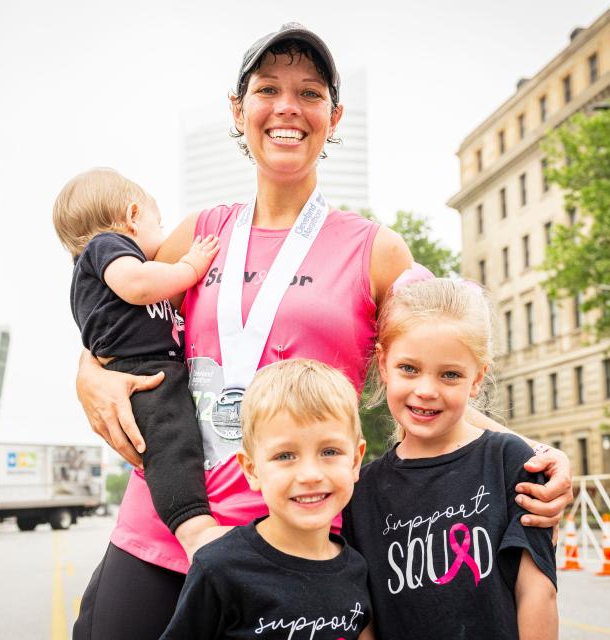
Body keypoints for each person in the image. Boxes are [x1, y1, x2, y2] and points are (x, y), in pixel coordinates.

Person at [72, 23, 572, 640]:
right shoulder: (197, 234)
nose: (287, 107)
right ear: (239, 110)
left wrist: (530, 456)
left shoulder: (375, 250)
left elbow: (443, 361)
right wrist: (87, 374)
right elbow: (116, 325)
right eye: (267, 89)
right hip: (168, 526)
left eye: (309, 93)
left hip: (304, 545)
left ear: (333, 118)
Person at [342, 277, 558, 639]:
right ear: (382, 362)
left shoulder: (510, 463)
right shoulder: (361, 490)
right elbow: (363, 617)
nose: (426, 390)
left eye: (450, 375)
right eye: (408, 368)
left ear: (477, 379)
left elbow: (537, 591)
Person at [53, 168, 223, 558]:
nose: (161, 236)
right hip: (141, 373)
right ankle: (193, 526)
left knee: (177, 440)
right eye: (157, 223)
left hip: (149, 368)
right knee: (170, 444)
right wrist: (189, 268)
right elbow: (139, 285)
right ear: (132, 216)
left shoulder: (99, 262)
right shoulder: (106, 248)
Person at [160, 360, 374, 639]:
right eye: (285, 456)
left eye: (330, 451)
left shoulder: (358, 569)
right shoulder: (218, 567)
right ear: (252, 469)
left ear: (356, 460)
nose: (310, 475)